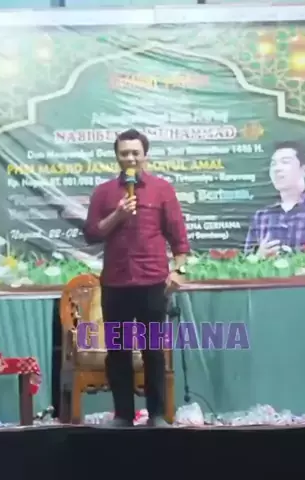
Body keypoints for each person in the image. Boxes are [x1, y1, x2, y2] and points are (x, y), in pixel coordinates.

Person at [83, 128, 190, 427]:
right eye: (124, 153)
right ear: (116, 157)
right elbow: (91, 234)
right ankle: (123, 415)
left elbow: (179, 239)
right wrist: (117, 215)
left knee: (153, 351)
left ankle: (156, 415)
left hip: (153, 283)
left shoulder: (162, 189)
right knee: (117, 352)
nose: (130, 158)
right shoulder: (104, 193)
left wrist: (179, 271)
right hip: (115, 283)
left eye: (135, 153)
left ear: (145, 155)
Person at [244, 140, 305, 256]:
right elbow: (245, 261)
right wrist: (259, 256)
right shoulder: (262, 216)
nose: (277, 169)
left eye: (285, 162)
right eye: (273, 164)